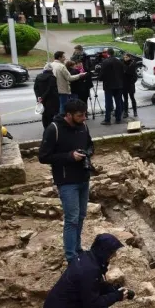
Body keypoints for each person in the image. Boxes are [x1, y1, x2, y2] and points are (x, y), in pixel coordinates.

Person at [41, 233, 132, 308]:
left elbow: (94, 286)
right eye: (112, 252)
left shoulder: (87, 259)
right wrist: (116, 296)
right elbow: (92, 304)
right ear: (103, 252)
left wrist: (113, 289)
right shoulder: (89, 270)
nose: (114, 255)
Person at [38, 97, 94, 263]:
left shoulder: (83, 126)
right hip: (67, 181)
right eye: (79, 115)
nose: (83, 118)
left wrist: (88, 152)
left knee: (81, 216)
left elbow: (91, 145)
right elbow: (43, 157)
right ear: (68, 115)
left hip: (83, 178)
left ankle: (77, 249)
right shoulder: (53, 129)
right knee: (71, 219)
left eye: (84, 114)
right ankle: (71, 257)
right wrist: (70, 156)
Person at [98, 46, 125, 124]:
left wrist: (100, 78)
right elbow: (122, 73)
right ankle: (118, 119)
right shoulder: (119, 61)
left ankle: (107, 119)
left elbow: (102, 74)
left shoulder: (105, 62)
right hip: (119, 85)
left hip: (108, 85)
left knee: (108, 103)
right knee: (118, 102)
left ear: (107, 53)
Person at [33, 62, 59, 130]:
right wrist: (43, 97)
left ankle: (46, 128)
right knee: (51, 115)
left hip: (42, 100)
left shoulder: (38, 77)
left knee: (44, 115)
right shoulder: (52, 78)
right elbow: (50, 89)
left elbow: (36, 88)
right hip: (51, 100)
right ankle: (51, 129)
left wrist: (39, 97)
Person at [121, 52, 138, 118]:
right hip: (124, 84)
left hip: (130, 84)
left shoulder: (132, 64)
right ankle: (125, 112)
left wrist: (132, 82)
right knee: (125, 99)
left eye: (126, 57)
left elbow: (135, 76)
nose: (125, 59)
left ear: (129, 57)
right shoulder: (122, 64)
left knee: (132, 98)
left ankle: (135, 111)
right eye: (124, 57)